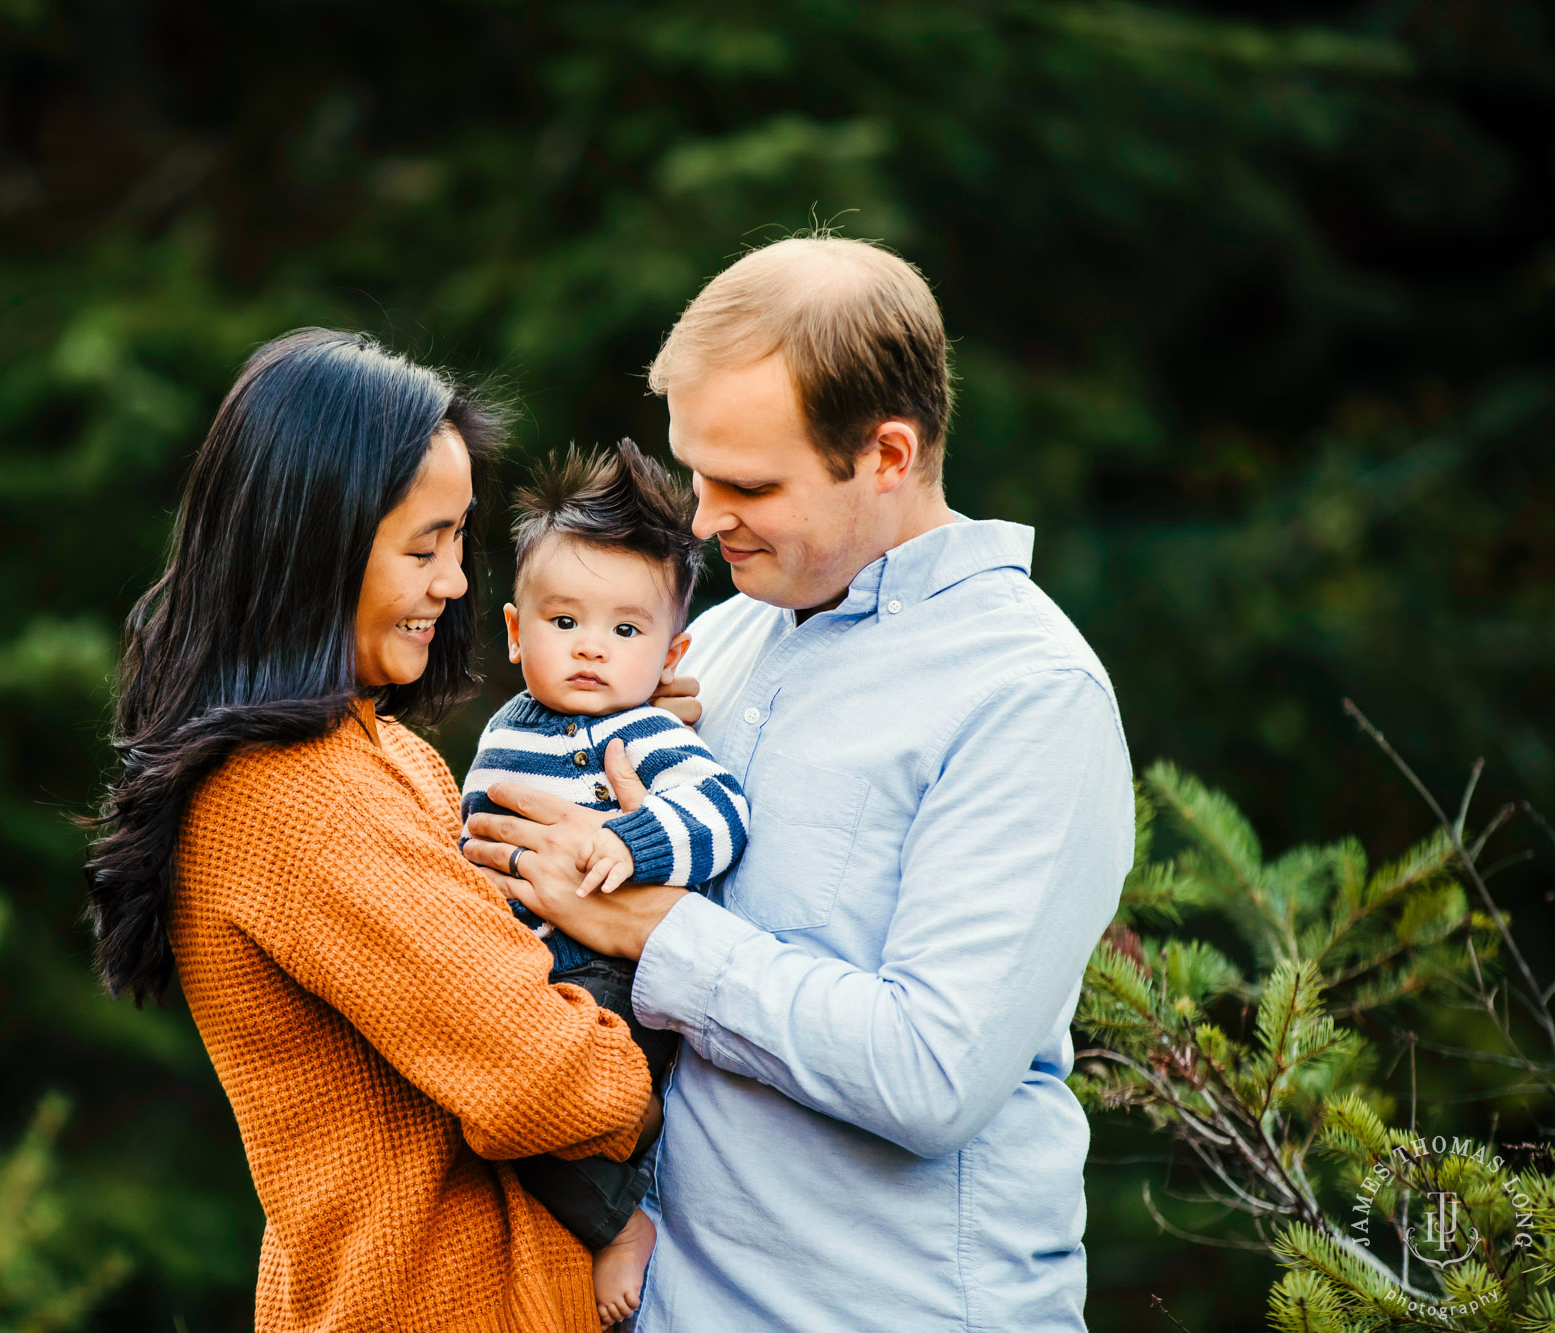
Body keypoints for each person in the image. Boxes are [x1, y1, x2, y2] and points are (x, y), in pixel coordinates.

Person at [462, 237, 1137, 1331]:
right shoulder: (717, 643)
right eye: (695, 471)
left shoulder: (1027, 694)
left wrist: (655, 926)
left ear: (884, 454)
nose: (697, 517)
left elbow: (931, 1073)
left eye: (746, 484)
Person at [82, 329, 656, 1333]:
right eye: (420, 545)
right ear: (316, 544)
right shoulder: (298, 796)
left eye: (457, 540)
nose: (456, 582)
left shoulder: (372, 756)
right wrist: (648, 1057)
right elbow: (544, 1079)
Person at [458, 439, 750, 1326]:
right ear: (516, 632)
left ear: (670, 650)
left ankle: (619, 1222)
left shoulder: (645, 731)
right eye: (564, 623)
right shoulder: (509, 727)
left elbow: (722, 812)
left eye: (626, 630)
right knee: (486, 1098)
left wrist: (635, 841)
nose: (592, 650)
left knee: (525, 1099)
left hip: (606, 972)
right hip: (522, 970)